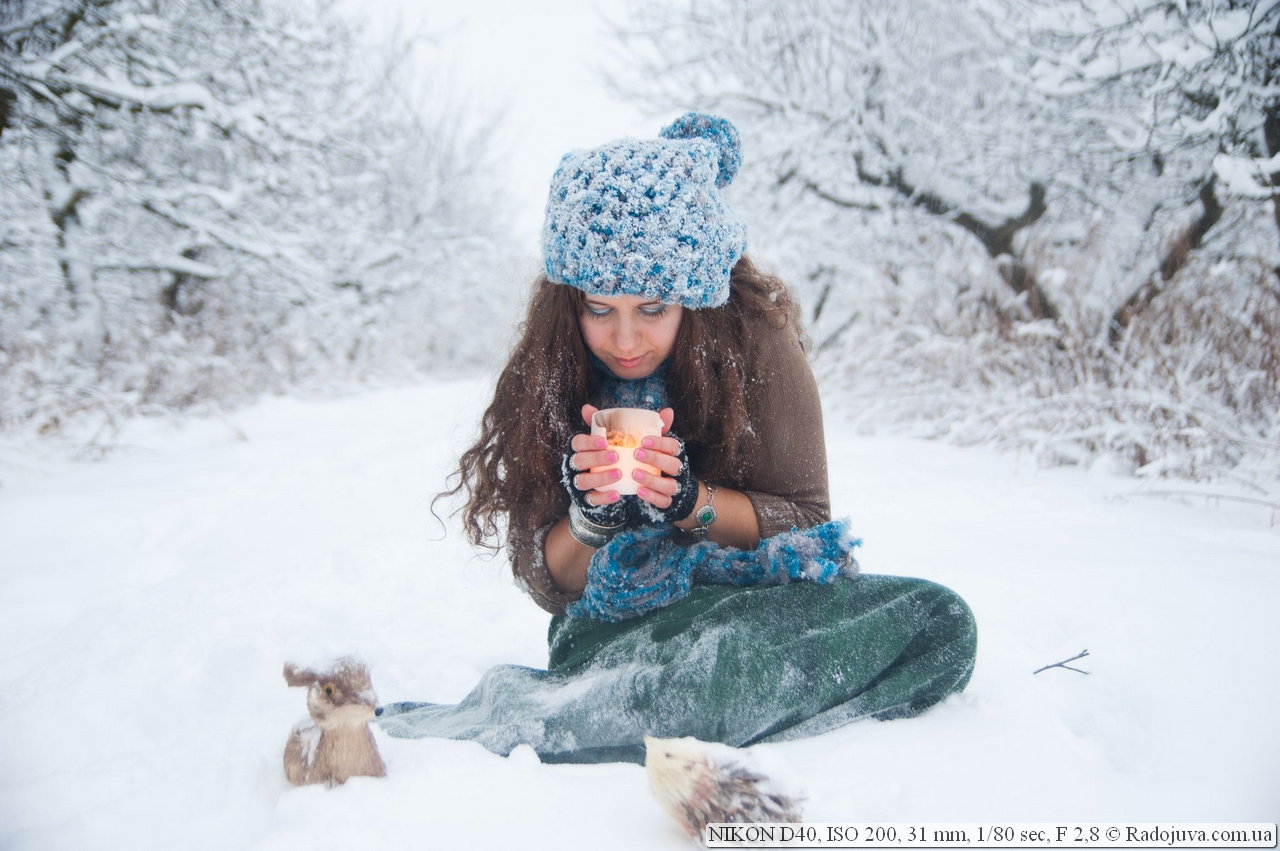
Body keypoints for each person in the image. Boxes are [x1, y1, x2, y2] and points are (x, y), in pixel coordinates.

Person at [379, 113, 977, 764]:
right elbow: (549, 582)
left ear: (693, 296)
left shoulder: (757, 345)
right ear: (569, 300)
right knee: (721, 672)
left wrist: (690, 500)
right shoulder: (555, 368)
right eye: (599, 308)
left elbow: (807, 520)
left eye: (653, 309)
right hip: (622, 628)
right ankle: (629, 704)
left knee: (940, 622)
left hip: (760, 606)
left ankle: (624, 707)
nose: (625, 340)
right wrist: (590, 516)